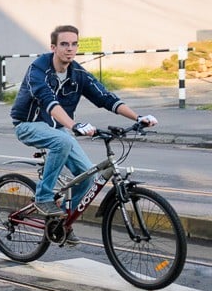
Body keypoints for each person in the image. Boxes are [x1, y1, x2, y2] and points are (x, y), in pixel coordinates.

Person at [10, 25, 157, 221]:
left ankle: (61, 222)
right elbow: (48, 102)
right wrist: (74, 125)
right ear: (53, 47)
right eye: (64, 44)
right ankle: (43, 196)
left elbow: (106, 98)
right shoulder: (38, 70)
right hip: (28, 125)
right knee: (62, 141)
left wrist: (138, 118)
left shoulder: (78, 73)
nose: (69, 48)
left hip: (58, 128)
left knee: (89, 178)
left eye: (74, 44)